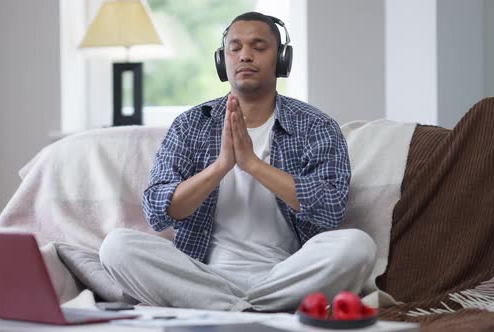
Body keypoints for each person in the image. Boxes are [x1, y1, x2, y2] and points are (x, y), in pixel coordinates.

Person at [99, 11, 376, 312]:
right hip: (201, 275)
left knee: (357, 246)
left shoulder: (315, 126)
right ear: (223, 60)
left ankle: (228, 309)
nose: (245, 56)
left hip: (286, 273)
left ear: (282, 59)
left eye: (259, 47)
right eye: (235, 48)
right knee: (116, 247)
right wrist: (221, 166)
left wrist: (253, 165)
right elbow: (158, 211)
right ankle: (252, 309)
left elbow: (331, 208)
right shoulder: (191, 124)